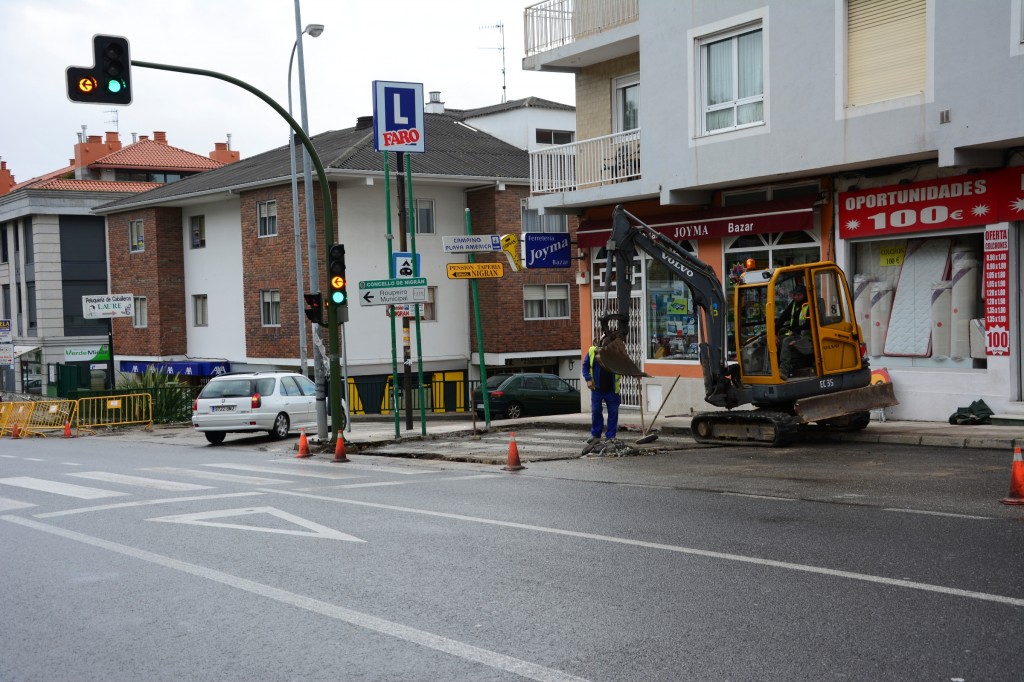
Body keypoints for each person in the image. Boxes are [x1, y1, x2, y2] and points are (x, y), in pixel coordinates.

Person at [581, 342, 621, 454]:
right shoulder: (592, 351)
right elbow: (585, 366)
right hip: (597, 389)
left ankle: (611, 436)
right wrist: (588, 379)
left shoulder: (616, 352)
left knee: (613, 413)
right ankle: (596, 435)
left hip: (612, 389)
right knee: (596, 411)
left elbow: (625, 365)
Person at [777, 284, 813, 380]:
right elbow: (783, 317)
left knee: (786, 341)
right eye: (794, 295)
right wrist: (774, 332)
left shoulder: (809, 305)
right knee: (777, 339)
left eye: (797, 295)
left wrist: (795, 331)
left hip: (806, 336)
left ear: (803, 295)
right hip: (795, 334)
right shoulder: (793, 304)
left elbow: (809, 325)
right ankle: (775, 367)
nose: (795, 297)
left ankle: (784, 371)